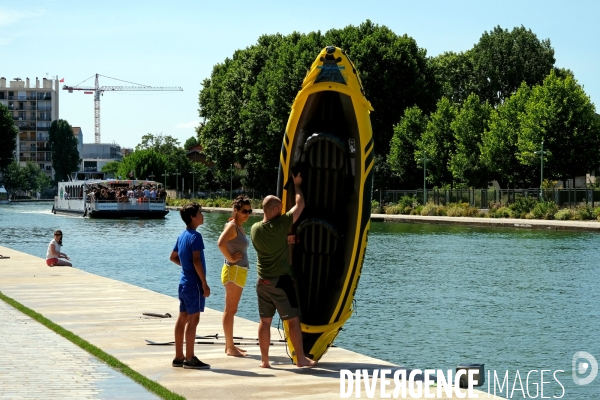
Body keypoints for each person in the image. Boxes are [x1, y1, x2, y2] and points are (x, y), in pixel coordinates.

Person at [250, 172, 316, 368]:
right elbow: (300, 205)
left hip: (262, 282)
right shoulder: (280, 224)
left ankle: (264, 361)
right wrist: (297, 185)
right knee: (293, 321)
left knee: (265, 322)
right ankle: (301, 359)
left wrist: (285, 241)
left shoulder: (254, 229)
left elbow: (272, 243)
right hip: (281, 282)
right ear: (276, 209)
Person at [169, 203, 211, 369]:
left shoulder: (182, 236)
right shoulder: (196, 236)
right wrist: (204, 283)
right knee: (193, 320)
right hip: (194, 285)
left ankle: (179, 356)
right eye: (200, 213)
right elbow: (196, 260)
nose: (202, 215)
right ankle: (190, 357)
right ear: (193, 217)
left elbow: (173, 257)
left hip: (184, 283)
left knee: (182, 318)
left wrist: (185, 267)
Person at [217, 195, 252, 357]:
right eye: (245, 211)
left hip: (239, 272)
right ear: (236, 211)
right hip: (233, 272)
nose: (248, 214)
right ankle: (229, 347)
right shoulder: (232, 226)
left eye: (249, 211)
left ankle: (230, 345)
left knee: (233, 309)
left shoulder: (238, 225)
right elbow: (220, 243)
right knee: (229, 310)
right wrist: (231, 259)